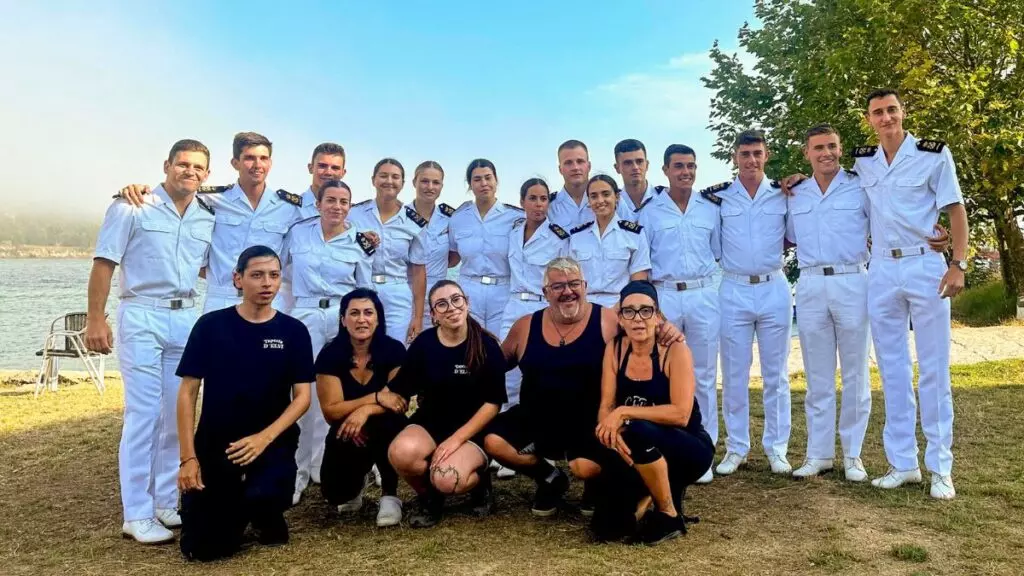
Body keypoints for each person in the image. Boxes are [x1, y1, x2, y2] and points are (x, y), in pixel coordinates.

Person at [85, 139, 216, 544]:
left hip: (186, 317)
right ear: (166, 165)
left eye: (197, 167)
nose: (189, 172)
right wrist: (95, 319)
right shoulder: (131, 206)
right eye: (182, 164)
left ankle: (163, 501)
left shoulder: (206, 215)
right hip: (142, 313)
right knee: (144, 414)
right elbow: (105, 263)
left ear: (207, 175)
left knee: (177, 412)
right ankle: (136, 513)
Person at [484, 257, 685, 517]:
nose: (567, 291)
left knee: (585, 467)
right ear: (545, 293)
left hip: (590, 422)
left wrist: (665, 326)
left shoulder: (608, 321)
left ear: (585, 286)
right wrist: (470, 346)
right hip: (537, 417)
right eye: (558, 286)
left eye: (574, 284)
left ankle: (595, 485)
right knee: (493, 440)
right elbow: (495, 365)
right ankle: (549, 478)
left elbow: (643, 322)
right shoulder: (525, 326)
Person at [855, 89, 968, 499]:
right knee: (892, 369)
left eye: (891, 110)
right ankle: (903, 463)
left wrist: (957, 262)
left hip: (924, 265)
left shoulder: (932, 154)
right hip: (882, 268)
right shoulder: (862, 162)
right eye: (877, 113)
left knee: (934, 369)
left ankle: (941, 468)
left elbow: (955, 209)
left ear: (902, 113)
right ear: (869, 119)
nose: (886, 118)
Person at [175, 246, 313, 561]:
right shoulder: (210, 326)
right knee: (204, 550)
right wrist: (188, 459)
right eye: (257, 275)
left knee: (263, 495)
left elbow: (302, 397)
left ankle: (265, 513)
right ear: (238, 279)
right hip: (218, 444)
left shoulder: (293, 332)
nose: (267, 283)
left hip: (271, 442)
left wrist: (263, 439)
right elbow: (188, 391)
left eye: (274, 275)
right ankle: (230, 509)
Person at [116, 132, 307, 313]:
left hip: (269, 303)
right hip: (222, 300)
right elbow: (177, 192)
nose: (257, 164)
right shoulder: (210, 200)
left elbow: (323, 216)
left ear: (270, 163)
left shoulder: (289, 208)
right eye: (249, 158)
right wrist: (138, 189)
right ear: (235, 163)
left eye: (263, 158)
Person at [593, 280, 714, 545]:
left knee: (637, 429)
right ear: (621, 319)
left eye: (646, 311)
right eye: (629, 311)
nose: (638, 319)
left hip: (688, 447)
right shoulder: (614, 348)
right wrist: (608, 435)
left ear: (658, 316)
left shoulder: (675, 350)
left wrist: (626, 412)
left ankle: (668, 515)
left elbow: (681, 415)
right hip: (639, 449)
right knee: (607, 529)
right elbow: (606, 405)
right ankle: (650, 493)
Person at [784, 125, 872, 482]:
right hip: (810, 283)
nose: (826, 153)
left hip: (852, 279)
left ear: (841, 148)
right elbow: (786, 238)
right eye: (818, 147)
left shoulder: (860, 186)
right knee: (817, 374)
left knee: (855, 373)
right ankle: (818, 454)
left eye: (832, 146)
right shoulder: (794, 193)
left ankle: (853, 455)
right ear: (806, 153)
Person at [281, 178, 374, 504]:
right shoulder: (298, 233)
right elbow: (281, 274)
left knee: (339, 392)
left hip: (340, 319)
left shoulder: (360, 243)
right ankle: (298, 472)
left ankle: (329, 465)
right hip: (304, 314)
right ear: (318, 204)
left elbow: (364, 291)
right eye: (330, 200)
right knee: (303, 393)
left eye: (343, 202)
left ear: (350, 207)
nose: (336, 207)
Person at [387, 280, 508, 527]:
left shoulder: (487, 345)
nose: (451, 307)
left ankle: (480, 484)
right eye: (441, 304)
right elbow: (398, 390)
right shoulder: (424, 344)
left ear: (467, 303)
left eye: (456, 299)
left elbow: (492, 404)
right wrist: (367, 406)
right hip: (431, 423)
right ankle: (429, 498)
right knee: (400, 453)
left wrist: (456, 440)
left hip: (474, 430)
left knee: (446, 478)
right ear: (433, 315)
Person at [636, 144, 722, 485]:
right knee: (664, 374)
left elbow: (716, 252)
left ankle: (705, 451)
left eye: (690, 165)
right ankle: (667, 448)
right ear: (665, 170)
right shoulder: (649, 212)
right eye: (678, 166)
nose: (685, 171)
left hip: (702, 294)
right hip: (666, 296)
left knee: (704, 374)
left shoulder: (710, 208)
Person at [713, 129, 793, 477]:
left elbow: (793, 236)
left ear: (767, 154)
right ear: (735, 157)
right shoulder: (719, 198)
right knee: (733, 373)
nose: (751, 160)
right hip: (733, 288)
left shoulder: (784, 193)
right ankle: (736, 447)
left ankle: (777, 448)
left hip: (773, 285)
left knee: (776, 375)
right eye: (745, 154)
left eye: (757, 153)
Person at [315, 289, 409, 526]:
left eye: (368, 312)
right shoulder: (330, 355)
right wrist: (376, 397)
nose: (361, 319)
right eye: (354, 313)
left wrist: (364, 411)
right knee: (335, 494)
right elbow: (331, 411)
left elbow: (399, 401)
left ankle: (390, 494)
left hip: (385, 426)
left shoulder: (394, 350)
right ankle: (356, 485)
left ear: (378, 318)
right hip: (349, 430)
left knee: (390, 423)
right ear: (343, 319)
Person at [501, 178, 572, 408]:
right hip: (513, 306)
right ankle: (505, 420)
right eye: (533, 198)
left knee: (540, 370)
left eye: (543, 199)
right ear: (522, 202)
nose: (539, 204)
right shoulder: (513, 233)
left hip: (542, 308)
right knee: (506, 370)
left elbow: (564, 279)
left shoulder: (558, 237)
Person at [348, 158, 430, 345]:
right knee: (360, 348)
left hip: (397, 292)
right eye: (383, 176)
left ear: (402, 183)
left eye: (395, 177)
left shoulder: (414, 222)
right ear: (373, 179)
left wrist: (417, 317)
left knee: (396, 350)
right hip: (361, 287)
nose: (389, 181)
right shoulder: (354, 214)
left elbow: (418, 272)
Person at [448, 159, 523, 335]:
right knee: (470, 345)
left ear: (496, 181)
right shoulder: (458, 219)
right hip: (468, 290)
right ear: (470, 185)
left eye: (488, 178)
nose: (484, 184)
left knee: (502, 345)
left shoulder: (516, 218)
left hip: (503, 290)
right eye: (477, 179)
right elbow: (451, 257)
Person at [569, 175, 651, 308]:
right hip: (584, 307)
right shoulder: (577, 236)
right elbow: (571, 279)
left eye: (606, 194)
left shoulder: (634, 234)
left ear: (617, 197)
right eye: (594, 196)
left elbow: (639, 282)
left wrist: (617, 311)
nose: (600, 200)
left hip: (621, 305)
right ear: (588, 201)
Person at [409, 161, 458, 329]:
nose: (430, 187)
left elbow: (454, 257)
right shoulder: (401, 215)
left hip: (438, 295)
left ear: (441, 186)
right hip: (407, 293)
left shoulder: (450, 218)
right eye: (424, 181)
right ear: (414, 182)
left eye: (436, 182)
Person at [547, 139, 595, 230]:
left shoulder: (610, 201)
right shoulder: (549, 208)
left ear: (589, 166)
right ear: (560, 169)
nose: (575, 167)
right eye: (568, 163)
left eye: (580, 161)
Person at [613, 139, 662, 216]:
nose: (635, 167)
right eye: (628, 163)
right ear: (617, 168)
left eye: (639, 161)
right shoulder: (612, 205)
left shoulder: (666, 198)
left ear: (647, 165)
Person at [298, 143, 347, 219]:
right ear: (310, 168)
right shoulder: (291, 208)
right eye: (322, 166)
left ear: (343, 173)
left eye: (335, 168)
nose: (328, 172)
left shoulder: (351, 214)